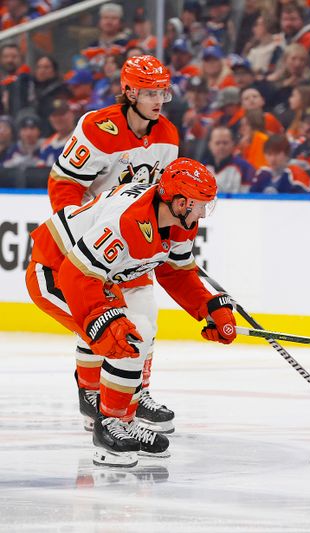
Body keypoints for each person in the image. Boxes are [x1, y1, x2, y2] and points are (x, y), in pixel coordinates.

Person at [26, 158, 237, 467]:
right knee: (123, 338)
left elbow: (177, 273)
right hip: (55, 272)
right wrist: (100, 316)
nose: (204, 212)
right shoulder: (127, 220)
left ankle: (123, 419)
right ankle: (107, 428)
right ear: (179, 202)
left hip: (92, 275)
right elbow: (75, 273)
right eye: (200, 204)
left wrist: (209, 306)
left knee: (138, 331)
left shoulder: (179, 222)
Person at [46, 55, 180, 436]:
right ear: (130, 91)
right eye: (150, 92)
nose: (158, 100)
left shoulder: (167, 135)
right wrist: (79, 239)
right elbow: (64, 186)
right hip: (94, 239)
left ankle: (136, 393)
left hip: (132, 240)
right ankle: (90, 393)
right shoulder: (96, 127)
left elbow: (160, 193)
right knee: (99, 318)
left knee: (145, 319)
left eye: (162, 92)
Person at [204, 125, 255, 192]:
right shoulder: (202, 168)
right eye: (217, 143)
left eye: (225, 143)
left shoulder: (245, 168)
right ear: (210, 145)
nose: (221, 147)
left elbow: (248, 197)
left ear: (233, 144)